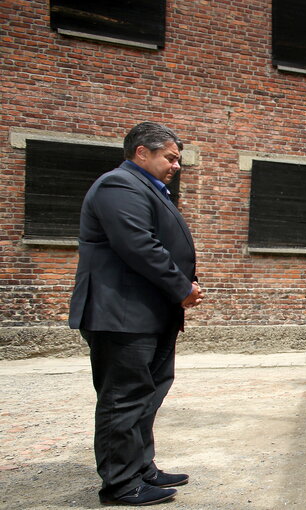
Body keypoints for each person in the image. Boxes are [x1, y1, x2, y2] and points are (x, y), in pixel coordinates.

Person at [69, 122, 204, 506]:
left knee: (148, 394)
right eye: (170, 157)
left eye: (178, 158)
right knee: (123, 398)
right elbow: (139, 245)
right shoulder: (118, 185)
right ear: (141, 153)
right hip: (121, 314)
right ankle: (120, 484)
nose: (176, 165)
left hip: (149, 312)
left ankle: (142, 467)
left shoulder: (146, 187)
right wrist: (182, 287)